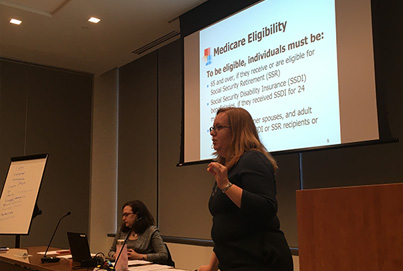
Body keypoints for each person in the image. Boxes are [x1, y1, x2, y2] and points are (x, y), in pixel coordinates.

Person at [198, 107, 293, 271]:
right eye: (213, 128)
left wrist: (226, 186)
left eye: (219, 128)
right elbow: (225, 224)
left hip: (260, 261)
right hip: (234, 262)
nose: (212, 133)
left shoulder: (253, 159)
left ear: (238, 131)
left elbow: (266, 207)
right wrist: (211, 266)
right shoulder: (228, 166)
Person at [108, 200, 169, 264]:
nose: (123, 218)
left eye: (126, 215)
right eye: (123, 215)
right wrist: (116, 255)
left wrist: (140, 256)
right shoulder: (122, 230)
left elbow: (163, 255)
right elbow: (111, 251)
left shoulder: (151, 231)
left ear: (137, 215)